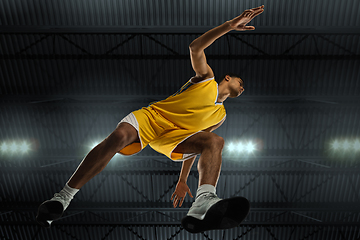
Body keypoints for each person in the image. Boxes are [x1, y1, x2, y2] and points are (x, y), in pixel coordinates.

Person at [36, 5, 264, 232]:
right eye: (240, 83)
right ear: (227, 78)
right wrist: (229, 26)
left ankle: (202, 202)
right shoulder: (207, 79)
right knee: (119, 137)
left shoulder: (220, 115)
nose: (242, 88)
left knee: (214, 142)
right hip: (151, 118)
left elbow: (198, 145)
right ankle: (64, 197)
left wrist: (183, 179)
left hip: (173, 138)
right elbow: (195, 47)